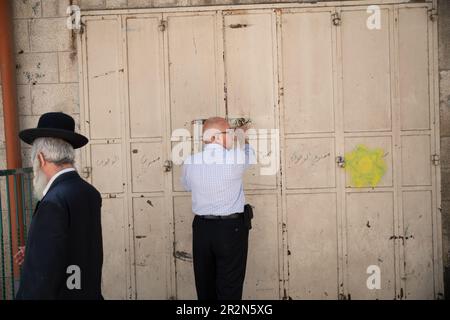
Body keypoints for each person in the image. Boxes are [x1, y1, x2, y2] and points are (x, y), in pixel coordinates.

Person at [14, 112, 103, 300]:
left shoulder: (54, 200)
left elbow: (41, 280)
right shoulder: (89, 192)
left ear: (40, 158)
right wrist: (33, 250)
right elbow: (76, 245)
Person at [181, 117, 255, 300]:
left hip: (202, 230)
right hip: (231, 230)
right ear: (216, 137)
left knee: (205, 285)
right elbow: (249, 155)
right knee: (229, 286)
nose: (231, 137)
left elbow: (188, 186)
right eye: (228, 133)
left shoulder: (190, 162)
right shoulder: (235, 158)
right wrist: (243, 137)